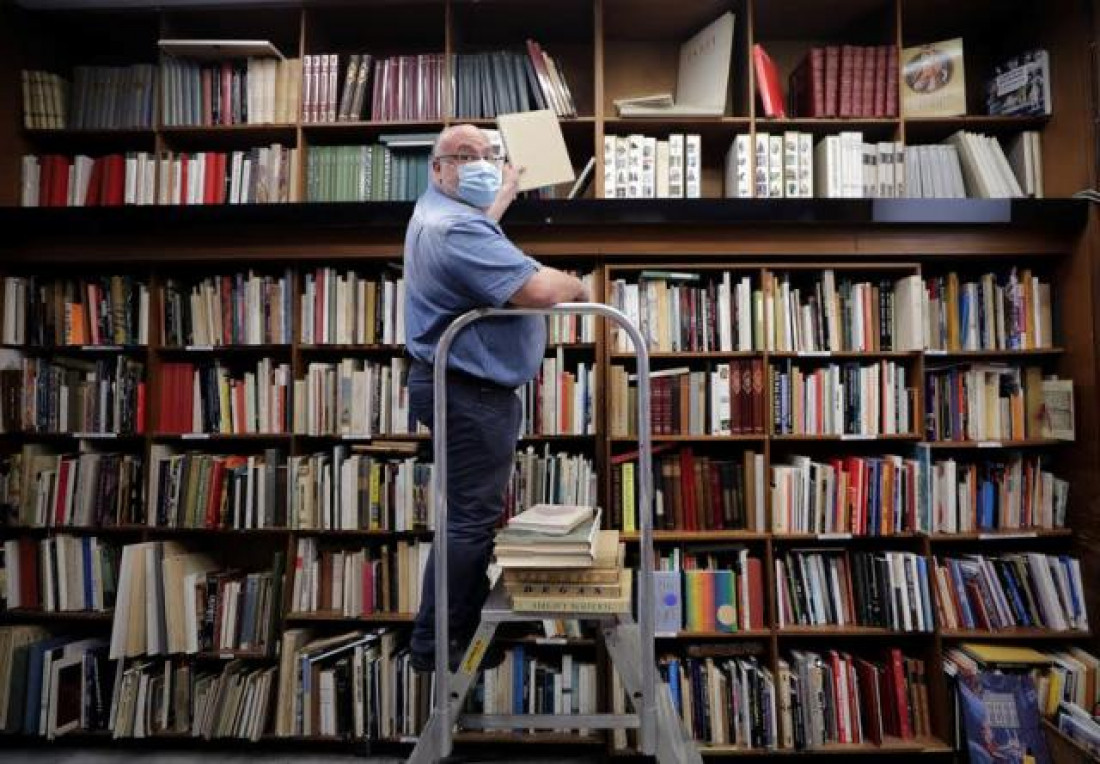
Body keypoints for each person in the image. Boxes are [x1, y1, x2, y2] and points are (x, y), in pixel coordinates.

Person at [403, 124, 590, 672]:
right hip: (471, 390)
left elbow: (475, 235)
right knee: (469, 521)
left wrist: (502, 195)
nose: (481, 163)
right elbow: (535, 291)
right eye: (464, 156)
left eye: (489, 155)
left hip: (463, 387)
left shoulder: (439, 214)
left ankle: (447, 634)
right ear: (437, 168)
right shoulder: (456, 229)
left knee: (469, 517)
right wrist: (576, 285)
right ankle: (439, 645)